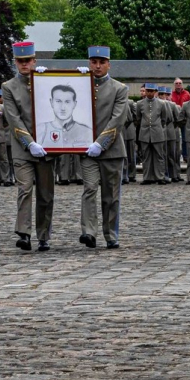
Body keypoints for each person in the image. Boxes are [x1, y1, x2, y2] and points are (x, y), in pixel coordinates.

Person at [2, 42, 56, 251]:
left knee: (45, 193)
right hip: (23, 148)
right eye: (20, 61)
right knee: (24, 189)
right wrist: (29, 142)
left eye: (28, 60)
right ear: (15, 62)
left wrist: (76, 77)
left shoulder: (45, 80)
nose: (24, 64)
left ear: (35, 61)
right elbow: (13, 119)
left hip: (47, 145)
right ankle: (24, 233)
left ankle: (43, 235)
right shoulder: (8, 87)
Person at [77, 46, 128, 250]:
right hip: (86, 149)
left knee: (111, 195)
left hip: (112, 150)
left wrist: (101, 143)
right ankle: (89, 232)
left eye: (101, 62)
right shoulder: (81, 85)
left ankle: (111, 234)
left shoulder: (119, 88)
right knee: (89, 189)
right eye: (93, 62)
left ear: (109, 64)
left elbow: (117, 119)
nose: (97, 66)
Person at [36, 84, 94, 148]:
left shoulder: (86, 131)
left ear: (74, 104)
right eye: (58, 101)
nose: (62, 108)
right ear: (51, 102)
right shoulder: (41, 130)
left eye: (67, 102)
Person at [135, 83, 169, 185]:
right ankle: (147, 177)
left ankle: (160, 176)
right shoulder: (140, 104)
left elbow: (164, 118)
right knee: (146, 156)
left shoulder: (162, 103)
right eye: (147, 91)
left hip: (157, 133)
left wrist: (157, 126)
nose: (149, 93)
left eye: (151, 91)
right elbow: (138, 118)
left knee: (159, 155)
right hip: (144, 133)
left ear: (155, 92)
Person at [161, 87, 183, 183]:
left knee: (172, 155)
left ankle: (174, 174)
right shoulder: (157, 104)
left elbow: (177, 119)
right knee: (163, 155)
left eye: (165, 94)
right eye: (161, 94)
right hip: (160, 133)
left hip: (171, 132)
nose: (163, 96)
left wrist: (173, 128)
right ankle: (164, 174)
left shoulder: (173, 105)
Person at [121, 97, 137, 184]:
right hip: (121, 130)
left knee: (131, 155)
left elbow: (134, 117)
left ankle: (131, 174)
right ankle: (124, 175)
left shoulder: (130, 103)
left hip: (129, 130)